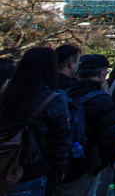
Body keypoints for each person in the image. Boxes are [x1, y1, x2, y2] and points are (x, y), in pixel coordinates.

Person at [0, 47, 71, 196]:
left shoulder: (7, 91)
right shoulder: (54, 99)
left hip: (4, 161)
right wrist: (60, 171)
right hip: (33, 170)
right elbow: (59, 142)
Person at [61, 54, 115, 196]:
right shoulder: (102, 99)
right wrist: (101, 163)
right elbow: (107, 138)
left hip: (59, 157)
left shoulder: (65, 92)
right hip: (87, 162)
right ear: (102, 73)